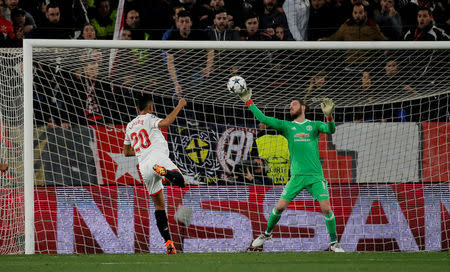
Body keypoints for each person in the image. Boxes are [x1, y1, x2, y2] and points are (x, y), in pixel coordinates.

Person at [237, 86, 344, 252]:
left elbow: (331, 130)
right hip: (296, 177)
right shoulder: (287, 126)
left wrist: (329, 116)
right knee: (279, 207)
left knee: (326, 209)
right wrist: (248, 101)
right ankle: (266, 234)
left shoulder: (314, 125)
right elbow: (263, 118)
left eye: (293, 104)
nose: (290, 107)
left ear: (303, 107)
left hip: (315, 176)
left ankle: (334, 243)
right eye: (290, 105)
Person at [123, 94, 187, 254]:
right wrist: (180, 105)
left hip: (144, 166)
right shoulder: (149, 118)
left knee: (159, 206)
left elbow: (126, 152)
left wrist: (139, 150)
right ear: (151, 107)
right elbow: (166, 123)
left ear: (137, 108)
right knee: (180, 181)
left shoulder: (129, 126)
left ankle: (168, 244)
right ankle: (165, 172)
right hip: (157, 159)